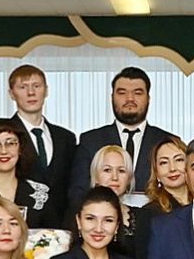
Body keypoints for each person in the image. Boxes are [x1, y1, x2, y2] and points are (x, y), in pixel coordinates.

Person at [74, 66, 177, 200]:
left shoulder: (167, 142)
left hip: (156, 212)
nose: (130, 98)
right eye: (122, 93)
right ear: (112, 97)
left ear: (148, 98)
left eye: (137, 93)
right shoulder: (90, 141)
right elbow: (78, 193)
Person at [9, 64, 77, 207]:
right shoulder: (4, 135)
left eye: (36, 86)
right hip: (19, 216)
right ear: (11, 94)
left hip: (61, 217)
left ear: (46, 91)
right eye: (23, 87)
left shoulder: (66, 138)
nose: (31, 92)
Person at [0, 118, 57, 227]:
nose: (3, 150)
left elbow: (52, 233)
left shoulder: (40, 194)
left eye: (10, 143)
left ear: (20, 149)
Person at [87, 144, 139, 251]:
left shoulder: (143, 217)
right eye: (107, 170)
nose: (115, 177)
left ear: (129, 178)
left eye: (121, 171)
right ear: (95, 175)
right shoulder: (77, 213)